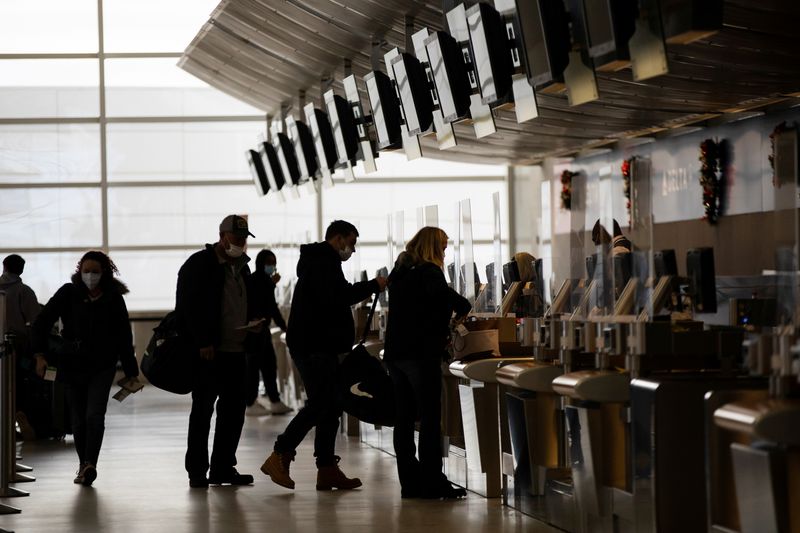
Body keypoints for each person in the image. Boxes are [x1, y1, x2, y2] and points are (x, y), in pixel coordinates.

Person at [261, 220, 387, 491]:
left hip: (320, 347)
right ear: (338, 239)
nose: (352, 250)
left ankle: (327, 468)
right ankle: (281, 453)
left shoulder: (322, 262)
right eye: (351, 242)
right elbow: (340, 296)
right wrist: (373, 285)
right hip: (314, 348)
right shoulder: (322, 264)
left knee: (331, 406)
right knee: (320, 404)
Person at [31, 251, 140, 486]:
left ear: (105, 274)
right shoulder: (68, 294)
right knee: (78, 419)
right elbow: (41, 322)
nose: (90, 276)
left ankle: (91, 463)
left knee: (94, 415)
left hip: (102, 365)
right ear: (79, 272)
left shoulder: (113, 298)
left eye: (95, 272)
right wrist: (39, 355)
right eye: (86, 271)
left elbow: (122, 335)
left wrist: (131, 371)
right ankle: (83, 465)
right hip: (72, 365)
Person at [383, 227, 471, 499]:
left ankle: (410, 483)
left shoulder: (399, 273)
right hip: (420, 355)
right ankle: (433, 481)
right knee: (431, 419)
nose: (445, 252)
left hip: (396, 354)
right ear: (433, 247)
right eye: (443, 247)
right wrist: (459, 314)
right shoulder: (430, 273)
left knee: (405, 419)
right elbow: (455, 302)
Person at [177, 214, 260, 489]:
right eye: (236, 239)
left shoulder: (243, 268)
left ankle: (223, 467)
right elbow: (187, 308)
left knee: (233, 413)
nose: (241, 244)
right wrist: (202, 341)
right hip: (209, 353)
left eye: (244, 239)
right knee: (202, 411)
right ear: (222, 235)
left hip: (236, 351)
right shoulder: (199, 265)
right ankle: (197, 470)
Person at [244, 249, 292, 416]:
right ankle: (250, 402)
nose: (272, 266)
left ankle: (274, 400)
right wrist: (284, 326)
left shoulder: (263, 280)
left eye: (274, 263)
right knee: (254, 368)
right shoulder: (258, 280)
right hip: (255, 330)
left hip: (262, 330)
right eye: (269, 263)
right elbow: (268, 305)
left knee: (269, 366)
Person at [1, 254, 41, 439]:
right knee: (18, 382)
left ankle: (6, 423)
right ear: (22, 270)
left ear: (4, 266)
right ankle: (18, 412)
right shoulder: (23, 291)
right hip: (17, 346)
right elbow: (35, 321)